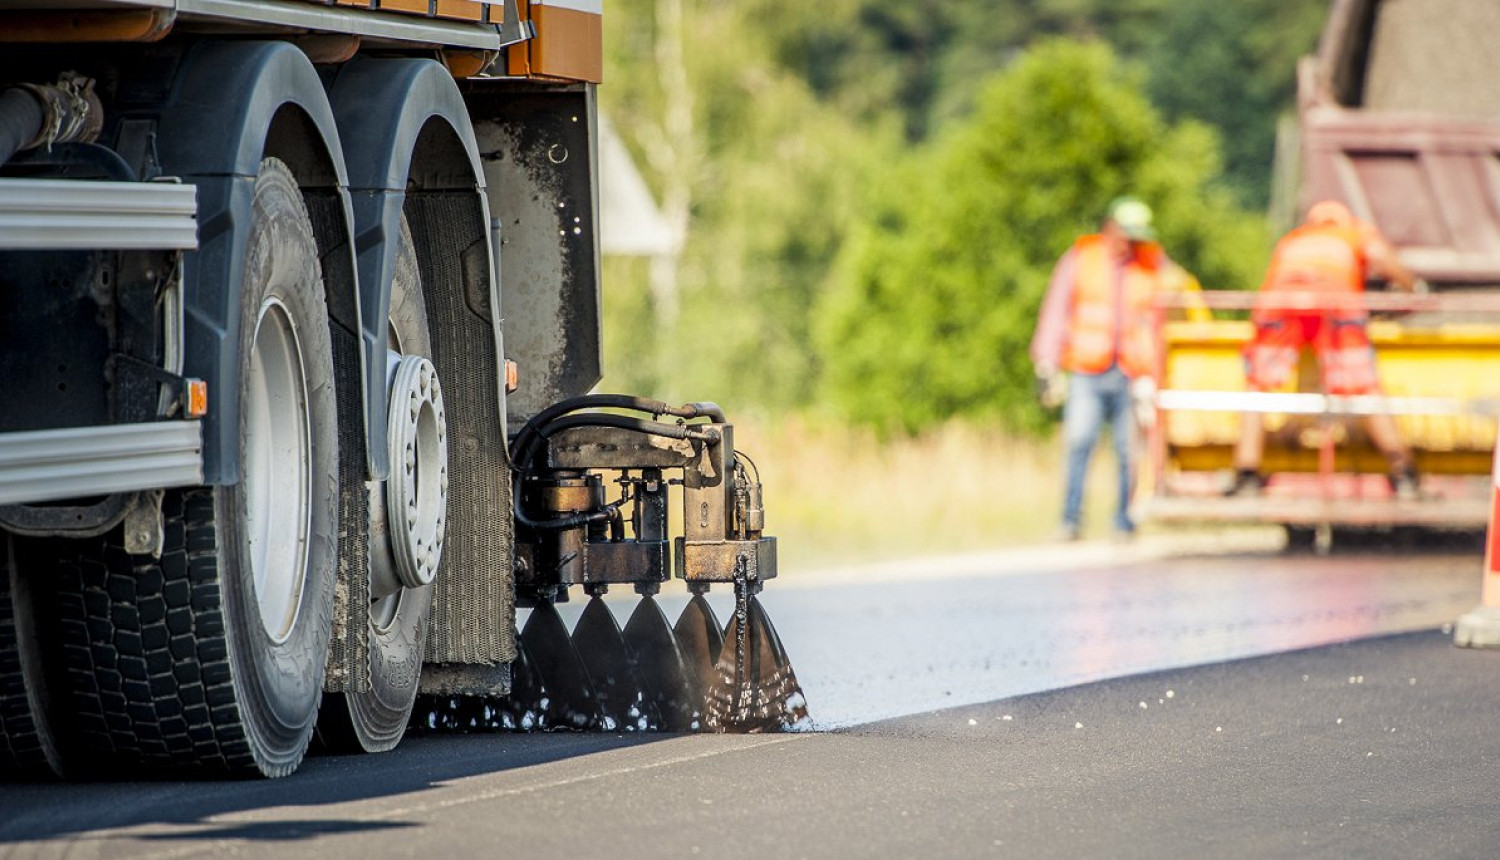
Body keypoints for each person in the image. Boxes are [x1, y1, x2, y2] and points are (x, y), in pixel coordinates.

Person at [1227, 200, 1425, 499]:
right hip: (1335, 303)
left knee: (1259, 383)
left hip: (1280, 304)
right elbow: (1380, 257)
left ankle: (1246, 473)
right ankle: (1403, 473)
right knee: (1360, 385)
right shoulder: (1354, 233)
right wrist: (1414, 288)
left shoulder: (1295, 239)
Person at [1030, 196, 1200, 541]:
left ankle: (1124, 522)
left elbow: (1184, 296)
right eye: (1129, 235)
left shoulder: (1151, 262)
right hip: (1087, 369)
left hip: (1132, 372)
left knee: (1129, 450)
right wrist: (1047, 363)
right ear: (1111, 227)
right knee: (1079, 442)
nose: (1133, 243)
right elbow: (1056, 310)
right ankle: (1070, 521)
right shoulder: (1082, 259)